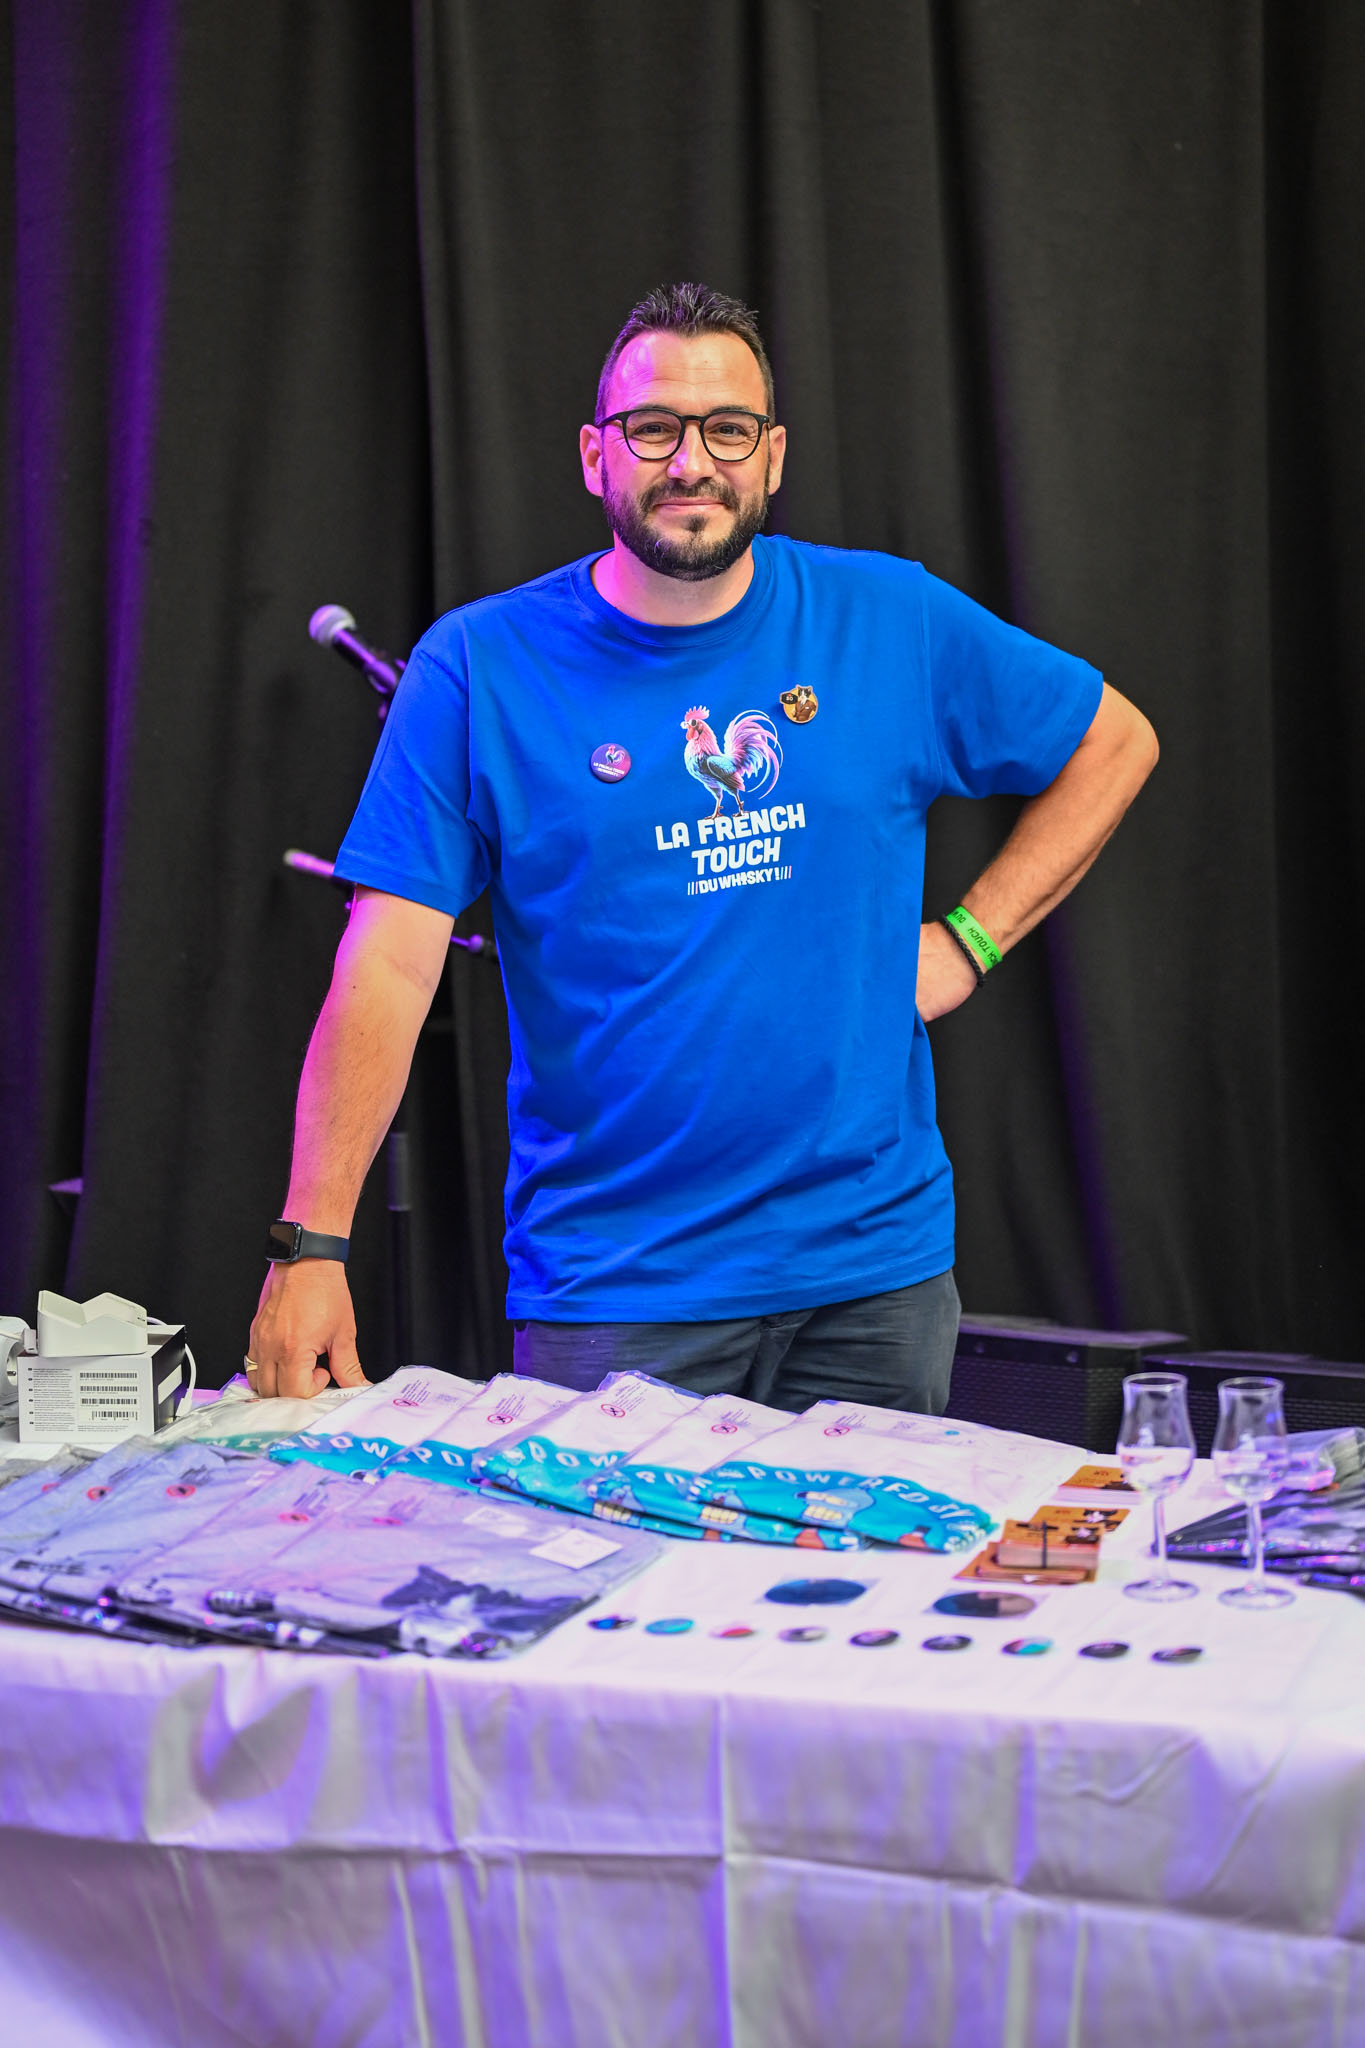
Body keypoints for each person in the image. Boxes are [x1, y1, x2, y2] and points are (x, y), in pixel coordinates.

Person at [247, 282, 1157, 1412]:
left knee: (876, 1543)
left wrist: (971, 939)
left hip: (873, 1278)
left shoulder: (890, 619)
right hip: (617, 1291)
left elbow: (1113, 741)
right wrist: (311, 1247)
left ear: (771, 456)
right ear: (595, 455)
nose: (691, 462)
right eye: (653, 428)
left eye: (727, 429)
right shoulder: (478, 665)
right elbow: (387, 960)